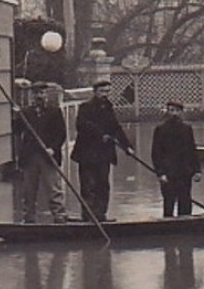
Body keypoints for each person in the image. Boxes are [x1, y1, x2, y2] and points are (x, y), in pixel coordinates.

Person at [71, 78, 133, 221]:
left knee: (103, 185)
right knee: (88, 185)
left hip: (103, 154)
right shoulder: (85, 107)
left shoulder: (108, 107)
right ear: (95, 92)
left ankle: (101, 216)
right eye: (102, 91)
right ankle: (88, 217)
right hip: (87, 154)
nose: (105, 94)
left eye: (107, 91)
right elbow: (82, 125)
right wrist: (101, 135)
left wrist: (127, 147)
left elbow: (116, 128)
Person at [13, 82, 67, 224]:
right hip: (30, 156)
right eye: (36, 93)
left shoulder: (54, 111)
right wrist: (16, 116)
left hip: (48, 155)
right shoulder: (25, 112)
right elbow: (17, 131)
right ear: (32, 95)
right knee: (29, 189)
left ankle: (59, 215)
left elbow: (61, 134)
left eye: (41, 93)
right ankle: (29, 217)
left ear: (46, 94)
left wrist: (53, 148)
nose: (39, 96)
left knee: (53, 187)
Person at [150, 99, 202, 218]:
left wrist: (197, 170)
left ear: (181, 112)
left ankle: (185, 229)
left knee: (185, 203)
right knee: (169, 203)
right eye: (171, 110)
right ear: (167, 111)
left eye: (177, 111)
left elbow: (192, 150)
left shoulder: (187, 128)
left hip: (184, 172)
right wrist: (160, 173)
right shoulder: (160, 129)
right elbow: (156, 153)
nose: (174, 114)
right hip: (168, 173)